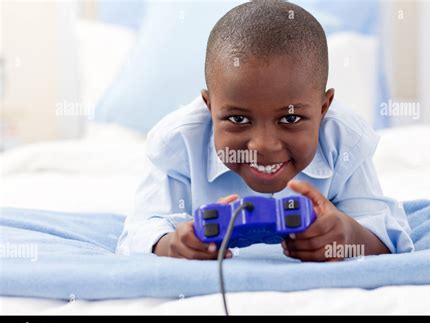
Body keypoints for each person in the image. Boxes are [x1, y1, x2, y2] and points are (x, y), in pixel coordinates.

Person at [116, 0, 414, 261]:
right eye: (237, 120)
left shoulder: (344, 140)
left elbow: (389, 232)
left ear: (324, 109)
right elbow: (138, 234)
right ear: (209, 107)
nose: (264, 146)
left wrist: (349, 238)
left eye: (291, 120)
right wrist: (172, 245)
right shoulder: (178, 143)